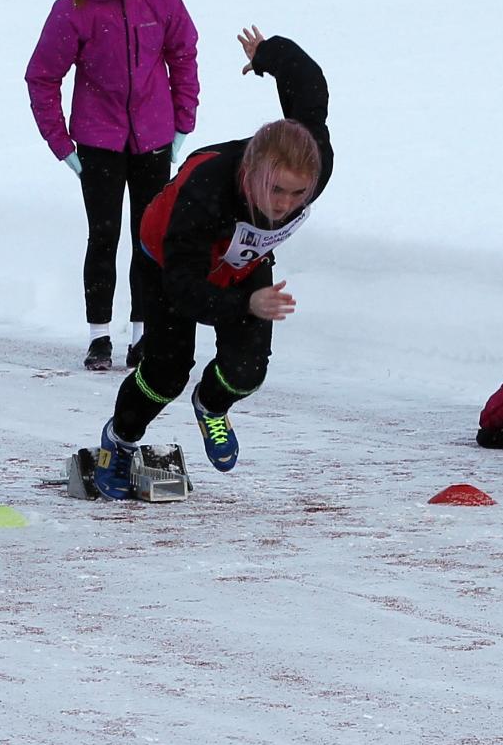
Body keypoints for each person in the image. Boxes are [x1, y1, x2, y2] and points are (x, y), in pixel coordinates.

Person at [92, 26, 333, 499]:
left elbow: (310, 85)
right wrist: (246, 304)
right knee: (166, 372)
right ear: (250, 173)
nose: (285, 204)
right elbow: (184, 290)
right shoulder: (204, 192)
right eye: (275, 190)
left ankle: (211, 404)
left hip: (241, 262)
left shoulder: (313, 164)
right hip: (168, 262)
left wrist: (267, 54)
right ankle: (117, 442)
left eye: (298, 194)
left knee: (248, 370)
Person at [25, 0, 199, 372]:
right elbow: (42, 78)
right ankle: (99, 336)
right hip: (98, 143)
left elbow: (183, 54)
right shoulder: (73, 10)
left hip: (155, 139)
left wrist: (183, 121)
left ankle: (144, 335)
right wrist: (61, 145)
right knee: (103, 236)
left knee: (149, 238)